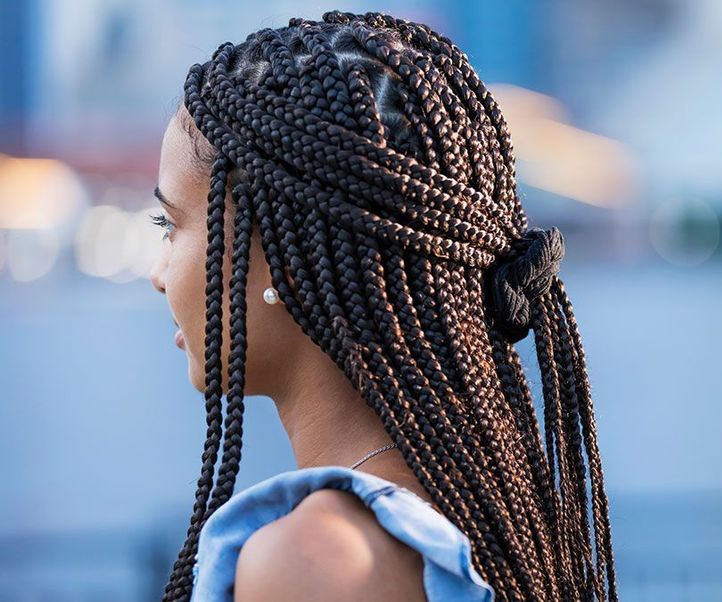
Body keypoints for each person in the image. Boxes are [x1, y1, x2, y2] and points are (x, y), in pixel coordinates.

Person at [146, 10, 618, 602]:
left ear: (283, 260)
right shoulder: (496, 508)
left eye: (170, 224)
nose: (157, 275)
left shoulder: (318, 561)